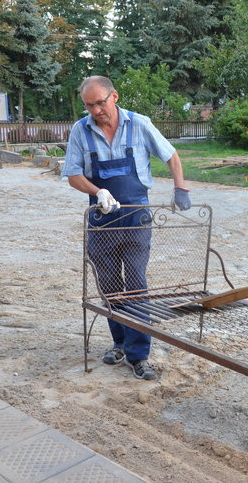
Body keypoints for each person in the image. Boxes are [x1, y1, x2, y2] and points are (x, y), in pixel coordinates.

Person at [62, 75, 192, 381]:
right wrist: (97, 192)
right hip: (102, 218)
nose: (95, 110)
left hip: (136, 216)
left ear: (114, 97)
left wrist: (181, 188)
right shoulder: (80, 130)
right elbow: (72, 174)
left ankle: (138, 355)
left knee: (135, 284)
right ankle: (119, 341)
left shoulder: (140, 124)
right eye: (89, 105)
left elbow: (171, 155)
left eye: (100, 103)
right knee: (108, 285)